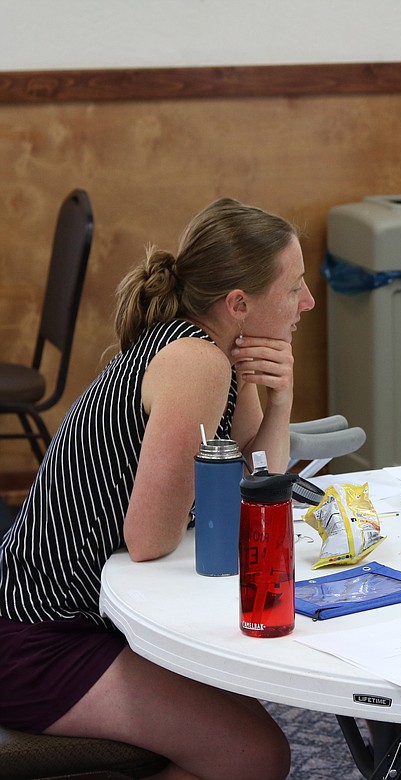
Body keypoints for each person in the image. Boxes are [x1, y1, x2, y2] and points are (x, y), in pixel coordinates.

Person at [0, 198, 313, 779]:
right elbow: (147, 540)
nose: (307, 301)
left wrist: (281, 398)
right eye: (294, 287)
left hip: (73, 619)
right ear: (239, 304)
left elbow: (262, 479)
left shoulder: (215, 351)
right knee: (254, 754)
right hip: (36, 640)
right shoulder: (196, 363)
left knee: (239, 714)